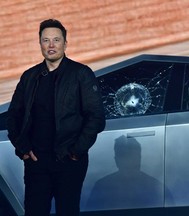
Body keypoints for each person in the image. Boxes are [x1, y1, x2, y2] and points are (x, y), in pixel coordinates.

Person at [7, 19, 106, 216]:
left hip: (69, 162)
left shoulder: (81, 74)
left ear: (65, 44)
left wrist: (76, 151)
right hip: (36, 163)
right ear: (40, 44)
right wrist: (23, 148)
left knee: (67, 211)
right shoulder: (29, 76)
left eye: (56, 40)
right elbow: (14, 116)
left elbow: (96, 117)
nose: (51, 45)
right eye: (46, 40)